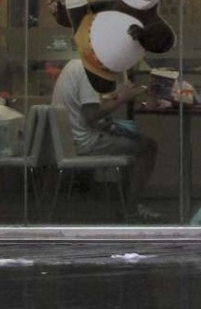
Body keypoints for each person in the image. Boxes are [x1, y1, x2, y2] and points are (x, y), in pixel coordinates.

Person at [51, 58, 160, 220]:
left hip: (71, 139)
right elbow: (91, 115)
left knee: (131, 140)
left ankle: (126, 204)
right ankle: (131, 209)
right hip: (84, 142)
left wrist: (122, 95)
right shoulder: (89, 73)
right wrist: (120, 98)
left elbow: (86, 111)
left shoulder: (75, 64)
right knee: (148, 146)